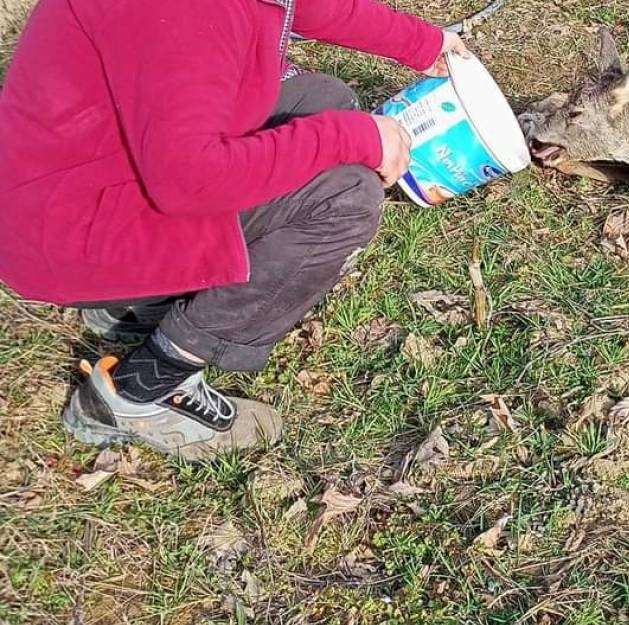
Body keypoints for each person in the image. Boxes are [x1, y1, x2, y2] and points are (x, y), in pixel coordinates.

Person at [0, 0, 468, 460]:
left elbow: (309, 6)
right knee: (345, 198)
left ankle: (137, 302)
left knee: (322, 100)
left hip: (76, 190)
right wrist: (359, 137)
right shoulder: (187, 12)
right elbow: (191, 179)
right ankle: (144, 389)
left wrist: (424, 45)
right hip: (73, 238)